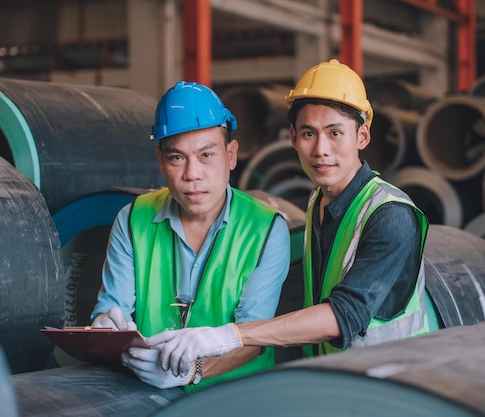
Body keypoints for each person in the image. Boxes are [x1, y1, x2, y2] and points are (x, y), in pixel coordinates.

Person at [146, 59, 431, 378]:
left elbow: (345, 315)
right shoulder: (319, 200)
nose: (321, 149)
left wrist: (233, 335)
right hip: (341, 380)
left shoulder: (390, 215)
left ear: (362, 136)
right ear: (293, 137)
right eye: (309, 133)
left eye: (335, 132)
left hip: (396, 386)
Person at [90, 80, 291, 391]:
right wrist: (105, 325)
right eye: (176, 158)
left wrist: (192, 371)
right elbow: (112, 306)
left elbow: (253, 337)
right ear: (161, 160)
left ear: (231, 154)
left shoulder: (265, 229)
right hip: (147, 393)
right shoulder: (133, 219)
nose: (192, 174)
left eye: (206, 155)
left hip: (238, 398)